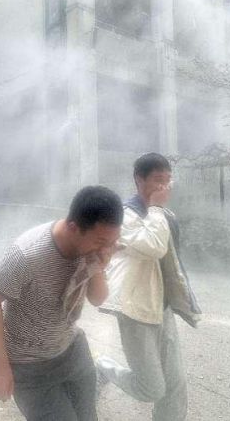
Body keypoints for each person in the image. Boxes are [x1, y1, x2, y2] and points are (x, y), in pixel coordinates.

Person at [0, 186, 124, 421]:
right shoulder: (27, 255)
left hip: (72, 350)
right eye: (101, 241)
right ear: (74, 228)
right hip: (30, 367)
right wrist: (0, 368)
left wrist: (98, 265)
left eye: (112, 241)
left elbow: (97, 298)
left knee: (88, 417)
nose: (107, 248)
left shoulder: (93, 250)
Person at [96, 153, 202, 420]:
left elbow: (172, 263)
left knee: (175, 383)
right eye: (157, 179)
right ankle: (103, 367)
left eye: (167, 179)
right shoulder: (123, 215)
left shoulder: (163, 214)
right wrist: (156, 208)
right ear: (138, 180)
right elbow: (154, 247)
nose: (163, 186)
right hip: (135, 310)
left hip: (162, 307)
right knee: (151, 388)